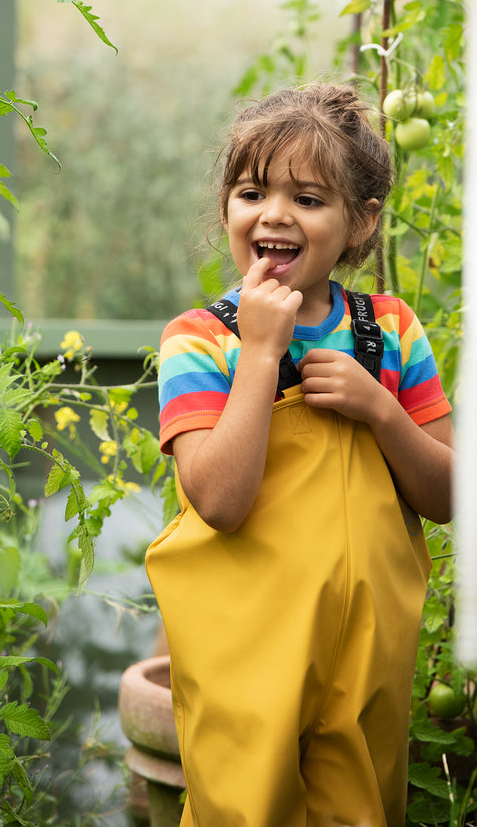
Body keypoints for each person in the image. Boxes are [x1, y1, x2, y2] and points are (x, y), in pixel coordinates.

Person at [145, 83, 454, 827]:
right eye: (251, 191)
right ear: (226, 210)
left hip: (366, 652)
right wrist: (259, 355)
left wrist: (379, 408)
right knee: (242, 808)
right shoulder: (200, 339)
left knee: (362, 809)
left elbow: (448, 497)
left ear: (359, 222)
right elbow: (216, 501)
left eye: (309, 198)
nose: (275, 213)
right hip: (245, 652)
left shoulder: (390, 331)